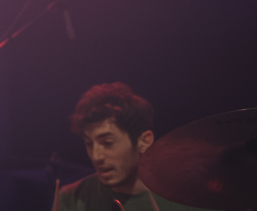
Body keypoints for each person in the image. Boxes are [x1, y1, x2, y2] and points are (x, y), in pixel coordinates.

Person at [54, 83, 210, 211]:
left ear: (144, 141)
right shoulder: (72, 198)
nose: (96, 156)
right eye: (89, 143)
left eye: (107, 143)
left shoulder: (194, 198)